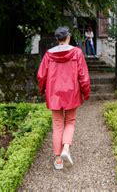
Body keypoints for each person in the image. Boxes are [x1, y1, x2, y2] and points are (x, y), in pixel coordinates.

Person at [37, 26, 91, 170]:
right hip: (71, 93)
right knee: (70, 122)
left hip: (54, 94)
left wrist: (42, 90)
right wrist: (86, 92)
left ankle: (58, 160)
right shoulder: (77, 53)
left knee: (57, 125)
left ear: (57, 39)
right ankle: (66, 148)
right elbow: (83, 76)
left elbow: (41, 75)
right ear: (68, 37)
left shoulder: (49, 54)